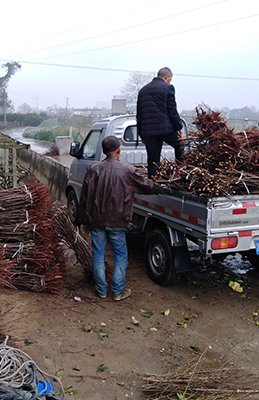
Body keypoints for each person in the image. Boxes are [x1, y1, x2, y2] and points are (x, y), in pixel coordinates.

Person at [77, 136, 162, 300]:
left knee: (98, 255)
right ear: (118, 151)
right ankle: (117, 291)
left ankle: (101, 290)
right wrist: (160, 188)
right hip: (118, 221)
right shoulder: (127, 170)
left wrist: (80, 219)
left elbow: (84, 198)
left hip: (96, 221)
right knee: (121, 255)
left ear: (103, 151)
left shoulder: (93, 170)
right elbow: (146, 185)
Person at [136, 67, 185, 179]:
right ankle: (180, 173)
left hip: (149, 132)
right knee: (180, 145)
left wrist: (141, 134)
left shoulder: (143, 90)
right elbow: (172, 111)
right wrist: (180, 130)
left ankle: (153, 183)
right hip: (165, 129)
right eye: (170, 80)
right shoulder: (168, 88)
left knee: (153, 160)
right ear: (167, 77)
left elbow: (139, 115)